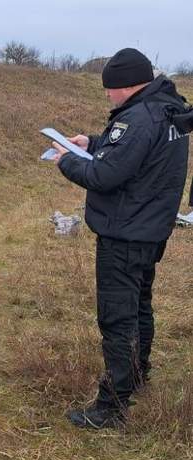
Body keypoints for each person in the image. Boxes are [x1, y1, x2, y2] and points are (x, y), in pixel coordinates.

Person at [52, 48, 191, 429]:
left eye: (110, 89)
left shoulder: (138, 119)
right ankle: (138, 374)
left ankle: (112, 405)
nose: (108, 96)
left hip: (124, 233)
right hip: (150, 229)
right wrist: (93, 143)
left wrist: (64, 157)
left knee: (118, 318)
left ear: (127, 85)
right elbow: (133, 158)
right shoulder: (167, 110)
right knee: (140, 306)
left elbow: (103, 177)